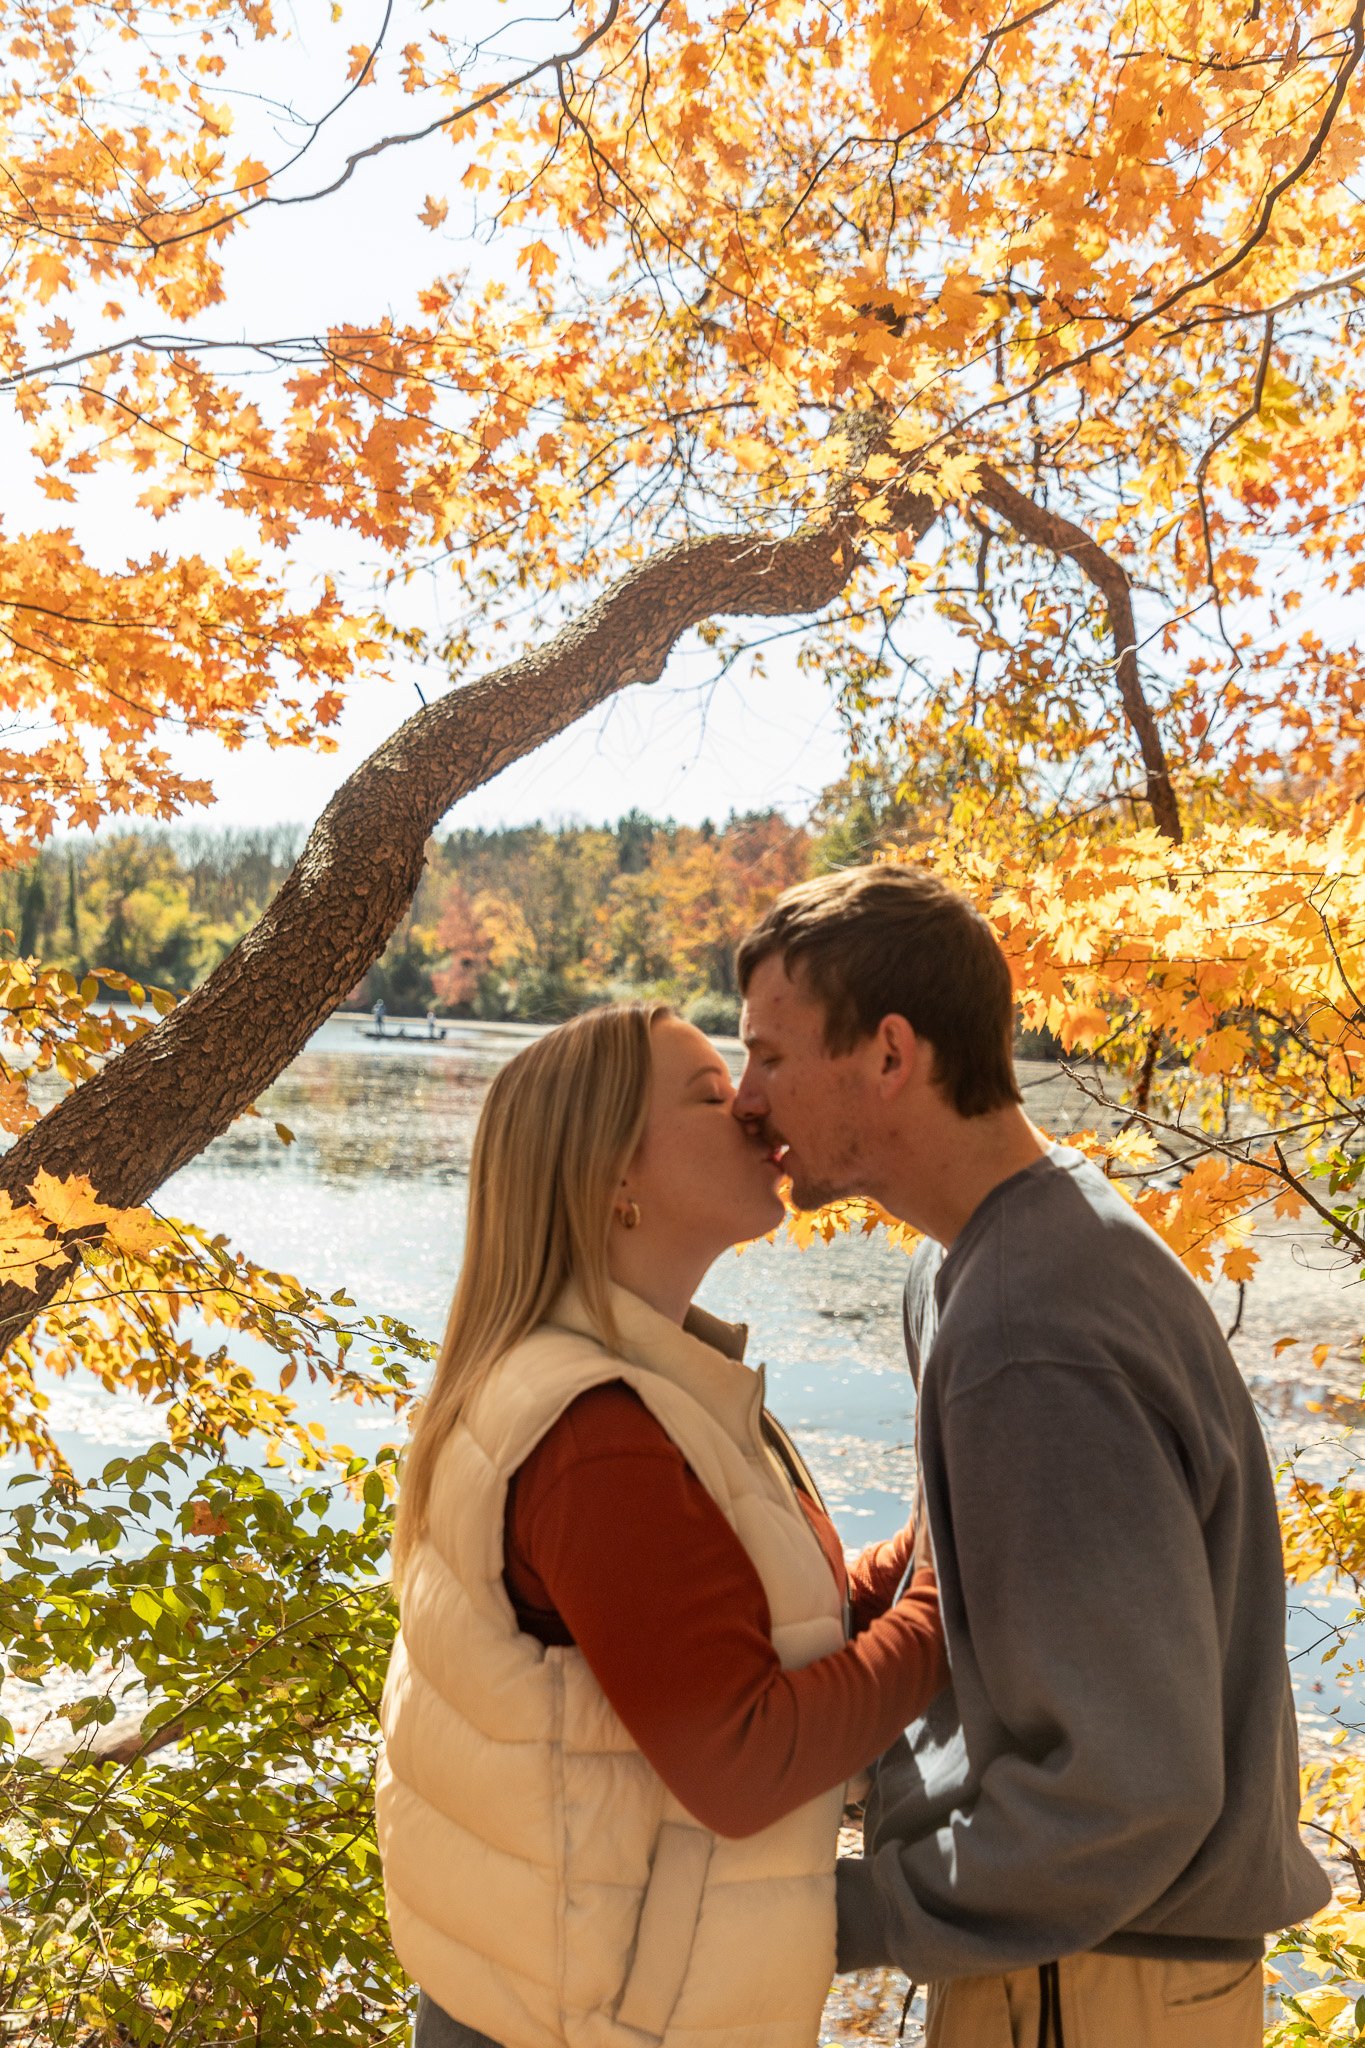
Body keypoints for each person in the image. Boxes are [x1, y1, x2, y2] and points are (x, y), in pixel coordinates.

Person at [733, 863, 1330, 2048]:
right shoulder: (976, 1265)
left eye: (767, 1054)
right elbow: (971, 1589)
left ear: (891, 1053)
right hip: (1083, 1958)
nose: (749, 1099)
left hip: (1102, 1979)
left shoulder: (1029, 1323)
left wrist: (826, 1915)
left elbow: (1125, 1789)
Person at [377, 1003, 948, 2048]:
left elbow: (752, 1628)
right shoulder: (596, 1437)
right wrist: (944, 1613)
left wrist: (932, 1539)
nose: (751, 1105)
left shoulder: (642, 1379)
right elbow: (743, 1758)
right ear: (612, 1177)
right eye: (706, 1091)